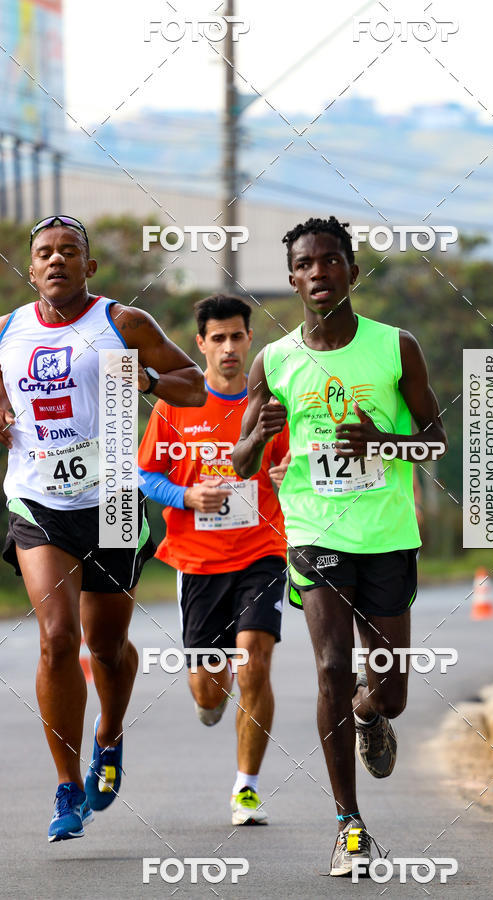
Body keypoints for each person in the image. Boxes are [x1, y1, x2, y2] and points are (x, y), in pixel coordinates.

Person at [233, 216, 447, 875]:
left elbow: (435, 441)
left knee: (389, 694)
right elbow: (241, 464)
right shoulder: (274, 362)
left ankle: (369, 713)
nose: (319, 273)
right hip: (315, 532)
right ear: (292, 278)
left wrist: (382, 443)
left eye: (331, 261)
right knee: (329, 665)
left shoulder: (395, 347)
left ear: (353, 272)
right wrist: (259, 438)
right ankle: (348, 825)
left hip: (384, 534)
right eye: (306, 264)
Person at [0, 215, 206, 842]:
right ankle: (66, 787)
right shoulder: (6, 333)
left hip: (113, 500)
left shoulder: (122, 323)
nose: (57, 260)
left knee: (106, 648)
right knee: (58, 639)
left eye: (70, 252)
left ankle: (108, 738)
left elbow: (194, 387)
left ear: (89, 267)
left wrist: (140, 380)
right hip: (38, 502)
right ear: (30, 269)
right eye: (45, 253)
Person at [138, 294, 289, 825]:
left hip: (262, 550)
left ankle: (246, 787)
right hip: (198, 561)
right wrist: (185, 497)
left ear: (250, 340)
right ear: (201, 344)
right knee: (210, 684)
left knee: (254, 658)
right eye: (217, 338)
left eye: (237, 336)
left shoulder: (273, 403)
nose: (228, 348)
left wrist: (286, 475)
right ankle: (209, 695)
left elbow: (294, 461)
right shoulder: (178, 401)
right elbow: (144, 473)